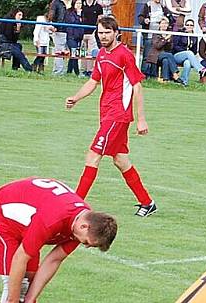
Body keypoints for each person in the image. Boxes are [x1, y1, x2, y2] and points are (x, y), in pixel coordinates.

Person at [66, 16, 157, 218]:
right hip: (106, 113)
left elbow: (137, 87)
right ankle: (147, 202)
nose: (103, 36)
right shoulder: (101, 54)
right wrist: (76, 98)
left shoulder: (125, 55)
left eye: (107, 32)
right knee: (120, 160)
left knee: (93, 156)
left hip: (118, 115)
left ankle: (74, 205)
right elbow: (93, 82)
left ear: (116, 33)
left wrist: (141, 119)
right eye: (100, 32)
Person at [146, 16, 184, 85]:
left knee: (166, 60)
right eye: (163, 23)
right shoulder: (156, 34)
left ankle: (165, 79)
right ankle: (175, 74)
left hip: (164, 55)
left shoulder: (169, 34)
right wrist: (165, 39)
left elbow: (170, 48)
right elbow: (157, 46)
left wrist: (169, 42)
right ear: (160, 24)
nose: (164, 25)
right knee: (169, 55)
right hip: (155, 55)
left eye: (166, 23)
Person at [171, 18, 205, 86]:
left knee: (188, 63)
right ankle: (200, 69)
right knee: (189, 53)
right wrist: (186, 52)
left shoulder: (194, 37)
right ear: (185, 25)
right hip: (177, 56)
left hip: (188, 57)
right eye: (187, 25)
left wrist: (189, 55)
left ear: (193, 27)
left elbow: (194, 51)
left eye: (191, 25)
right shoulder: (180, 33)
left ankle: (183, 82)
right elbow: (175, 46)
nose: (189, 26)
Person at [81, 0, 103, 74]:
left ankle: (89, 70)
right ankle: (83, 70)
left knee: (90, 52)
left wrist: (95, 29)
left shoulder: (98, 7)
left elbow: (99, 19)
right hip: (82, 32)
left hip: (92, 32)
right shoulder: (82, 5)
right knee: (83, 52)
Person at [48, 0, 69, 74]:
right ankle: (58, 71)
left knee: (66, 51)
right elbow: (51, 15)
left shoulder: (73, 3)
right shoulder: (56, 3)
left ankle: (59, 70)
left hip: (70, 31)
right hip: (60, 30)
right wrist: (55, 26)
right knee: (59, 51)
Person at [65, 0, 84, 76]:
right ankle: (77, 72)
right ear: (74, 4)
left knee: (74, 54)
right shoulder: (69, 12)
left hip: (78, 37)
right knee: (74, 54)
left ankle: (69, 72)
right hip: (71, 36)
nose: (79, 5)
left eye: (80, 3)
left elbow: (83, 23)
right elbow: (72, 22)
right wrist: (78, 15)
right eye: (78, 3)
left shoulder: (82, 13)